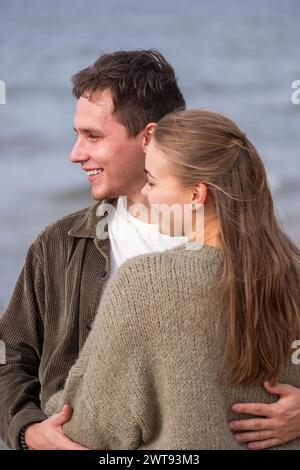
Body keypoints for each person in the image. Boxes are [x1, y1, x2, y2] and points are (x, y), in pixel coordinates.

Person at [0, 49, 299, 451]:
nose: (75, 153)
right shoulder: (59, 245)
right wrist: (29, 431)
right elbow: (9, 358)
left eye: (93, 136)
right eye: (77, 134)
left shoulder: (274, 260)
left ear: (148, 136)